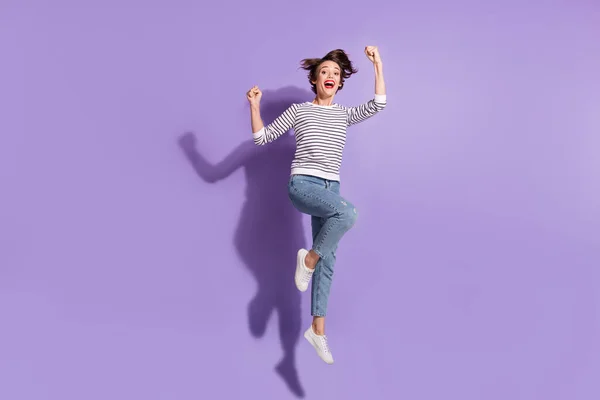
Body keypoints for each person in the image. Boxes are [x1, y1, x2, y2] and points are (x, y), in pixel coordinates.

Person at [245, 46, 386, 364]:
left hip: (330, 187)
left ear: (340, 82)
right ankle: (307, 259)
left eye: (336, 73)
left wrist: (378, 64)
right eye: (325, 71)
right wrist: (255, 106)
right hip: (303, 184)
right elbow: (261, 139)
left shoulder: (344, 114)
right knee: (348, 213)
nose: (331, 76)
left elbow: (379, 103)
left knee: (329, 261)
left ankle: (317, 331)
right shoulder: (299, 111)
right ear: (314, 78)